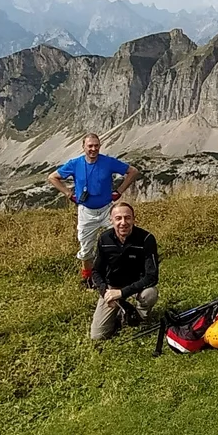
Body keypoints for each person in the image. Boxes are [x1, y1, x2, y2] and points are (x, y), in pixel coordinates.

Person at [47, 133, 140, 287]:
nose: (93, 149)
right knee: (85, 246)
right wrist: (68, 193)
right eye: (90, 146)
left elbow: (133, 171)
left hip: (107, 210)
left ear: (100, 146)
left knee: (121, 239)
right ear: (83, 147)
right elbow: (52, 177)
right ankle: (88, 279)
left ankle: (122, 272)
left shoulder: (108, 162)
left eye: (96, 145)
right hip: (86, 211)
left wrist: (120, 191)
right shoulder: (75, 163)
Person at [89, 201, 159, 341]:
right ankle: (120, 313)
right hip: (112, 287)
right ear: (111, 220)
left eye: (127, 218)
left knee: (150, 294)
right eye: (118, 218)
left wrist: (121, 294)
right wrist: (106, 293)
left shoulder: (146, 239)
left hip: (136, 287)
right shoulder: (104, 239)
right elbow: (96, 272)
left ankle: (137, 317)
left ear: (134, 219)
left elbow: (152, 276)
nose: (123, 222)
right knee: (97, 336)